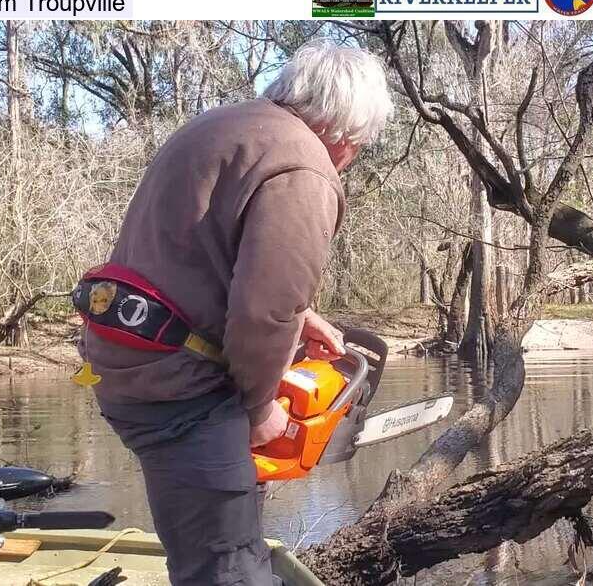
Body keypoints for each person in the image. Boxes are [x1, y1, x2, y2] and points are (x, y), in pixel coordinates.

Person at [75, 41, 393, 585]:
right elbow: (265, 312)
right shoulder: (305, 167)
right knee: (226, 567)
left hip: (127, 365)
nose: (351, 157)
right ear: (345, 135)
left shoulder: (223, 128)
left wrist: (304, 316)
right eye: (358, 146)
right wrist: (260, 406)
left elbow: (198, 256)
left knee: (208, 546)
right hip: (180, 387)